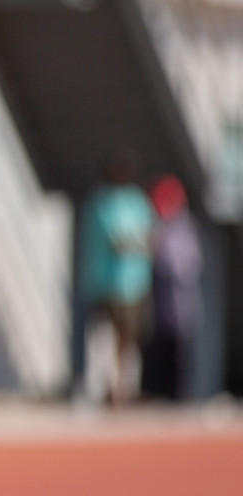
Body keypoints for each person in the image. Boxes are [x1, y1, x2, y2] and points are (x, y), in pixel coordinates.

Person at [79, 148, 155, 406]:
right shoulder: (102, 203)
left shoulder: (136, 202)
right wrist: (139, 245)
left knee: (129, 339)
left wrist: (140, 245)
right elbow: (119, 242)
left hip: (133, 283)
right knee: (104, 336)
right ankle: (104, 389)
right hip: (106, 283)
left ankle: (126, 389)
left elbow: (151, 238)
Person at [143, 174, 202, 400]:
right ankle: (156, 395)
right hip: (158, 308)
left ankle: (178, 397)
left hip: (181, 306)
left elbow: (185, 265)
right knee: (155, 356)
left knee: (179, 358)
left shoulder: (185, 228)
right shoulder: (157, 226)